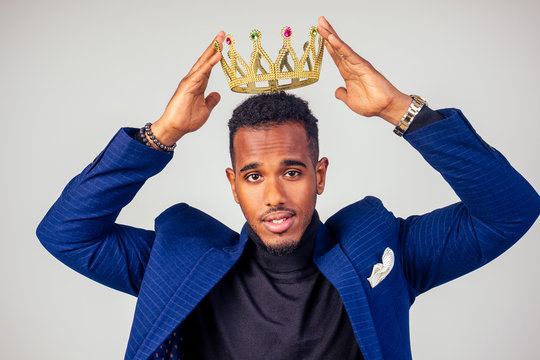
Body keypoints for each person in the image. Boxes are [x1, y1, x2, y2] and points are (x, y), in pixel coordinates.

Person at [36, 16, 539, 360]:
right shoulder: (176, 262)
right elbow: (66, 233)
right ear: (234, 186)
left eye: (292, 172)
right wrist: (160, 135)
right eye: (254, 176)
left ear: (319, 175)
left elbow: (510, 211)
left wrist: (400, 110)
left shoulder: (386, 251)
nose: (274, 195)